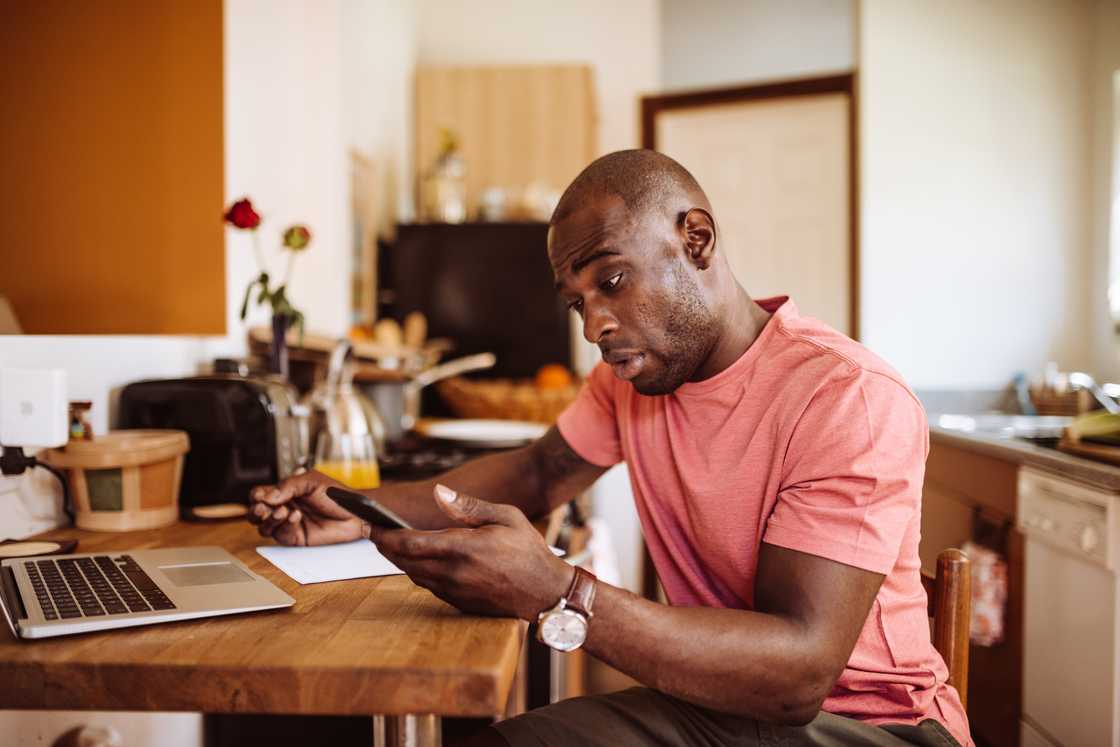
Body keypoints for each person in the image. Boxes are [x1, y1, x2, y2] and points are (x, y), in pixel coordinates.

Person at [249, 150, 972, 747]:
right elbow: (536, 473)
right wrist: (363, 511)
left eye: (613, 281)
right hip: (726, 709)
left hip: (872, 726)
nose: (594, 325)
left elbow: (799, 675)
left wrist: (561, 593)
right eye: (577, 301)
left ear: (696, 239)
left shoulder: (847, 397)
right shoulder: (636, 377)